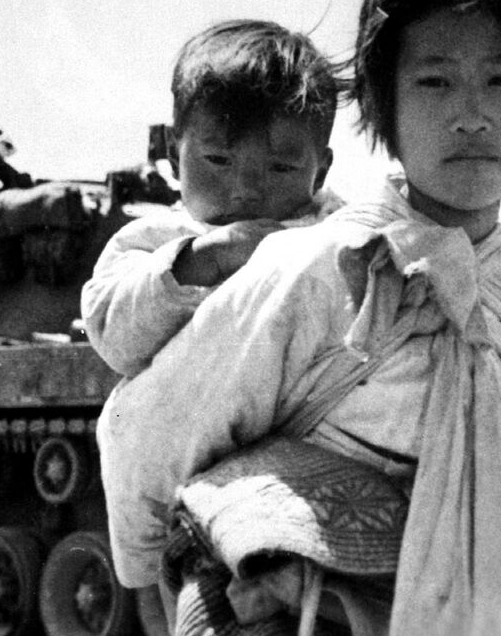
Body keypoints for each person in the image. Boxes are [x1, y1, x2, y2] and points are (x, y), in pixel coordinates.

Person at [98, 0, 501, 636]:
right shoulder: (309, 268)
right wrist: (146, 574)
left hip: (492, 612)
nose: (471, 114)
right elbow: (153, 425)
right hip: (309, 623)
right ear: (384, 111)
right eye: (434, 82)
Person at [81, 19, 340, 380]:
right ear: (174, 154)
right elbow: (112, 336)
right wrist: (200, 261)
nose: (246, 191)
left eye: (280, 167)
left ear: (320, 172)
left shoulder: (338, 237)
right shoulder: (152, 242)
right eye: (219, 160)